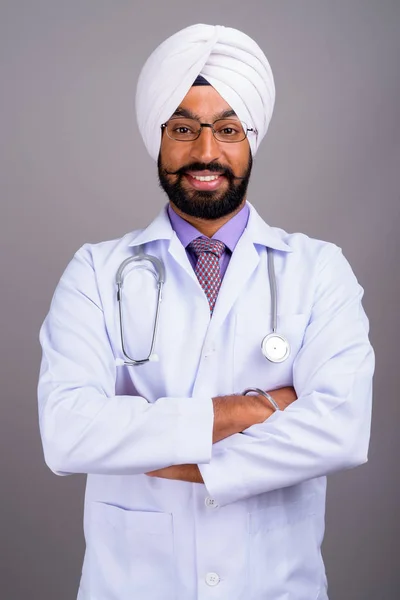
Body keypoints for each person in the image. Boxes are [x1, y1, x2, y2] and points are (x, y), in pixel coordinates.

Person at [37, 24, 374, 600]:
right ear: (159, 137)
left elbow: (342, 430)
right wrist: (253, 407)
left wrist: (171, 454)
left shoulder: (319, 269)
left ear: (251, 138)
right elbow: (68, 433)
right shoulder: (95, 271)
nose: (206, 153)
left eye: (227, 129)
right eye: (184, 129)